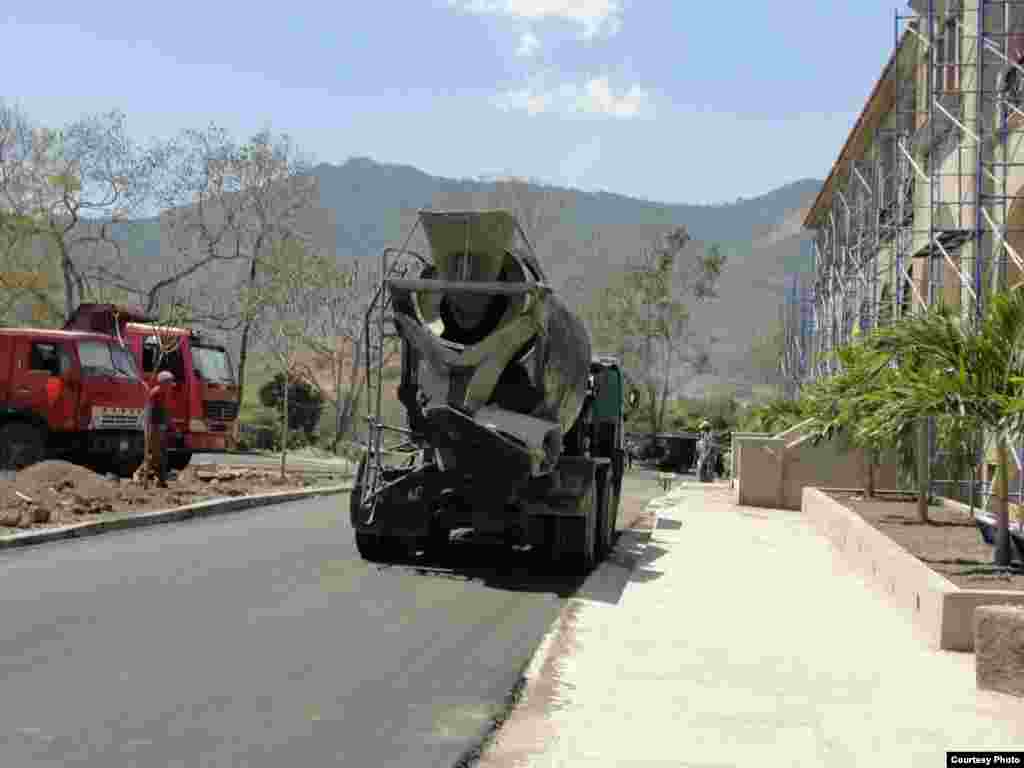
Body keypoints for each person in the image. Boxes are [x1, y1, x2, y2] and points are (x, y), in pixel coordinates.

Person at [136, 371, 175, 488]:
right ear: (163, 383)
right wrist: (153, 429)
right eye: (169, 383)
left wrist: (170, 425)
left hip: (160, 427)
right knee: (156, 454)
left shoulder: (164, 393)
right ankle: (140, 474)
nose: (171, 387)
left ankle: (160, 480)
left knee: (162, 454)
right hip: (153, 427)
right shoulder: (155, 394)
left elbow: (165, 411)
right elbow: (149, 414)